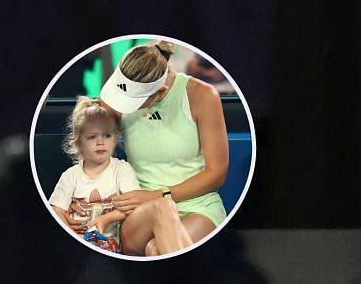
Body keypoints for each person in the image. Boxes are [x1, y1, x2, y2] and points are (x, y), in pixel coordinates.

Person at [96, 40, 229, 256]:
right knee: (162, 208)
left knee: (156, 248)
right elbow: (92, 152)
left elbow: (217, 174)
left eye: (135, 100)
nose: (124, 105)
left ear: (160, 92)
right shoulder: (114, 99)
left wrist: (160, 194)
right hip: (138, 211)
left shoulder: (203, 96)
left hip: (198, 205)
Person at [48, 97, 138, 253]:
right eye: (92, 137)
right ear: (78, 143)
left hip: (108, 244)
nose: (100, 142)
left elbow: (133, 204)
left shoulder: (122, 169)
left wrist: (106, 219)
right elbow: (57, 210)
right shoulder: (70, 176)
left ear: (115, 139)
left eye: (107, 136)